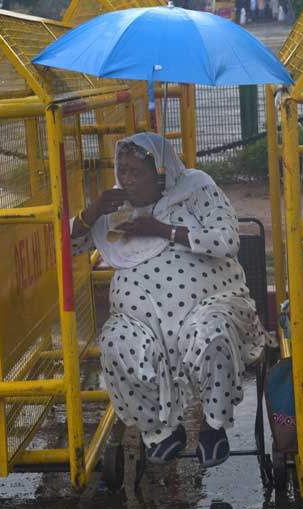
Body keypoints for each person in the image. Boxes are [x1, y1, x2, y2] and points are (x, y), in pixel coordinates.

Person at [70, 132, 267, 467]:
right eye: (122, 169)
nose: (128, 179)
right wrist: (91, 213)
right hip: (141, 320)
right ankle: (160, 431)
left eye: (137, 172)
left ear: (161, 172)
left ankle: (212, 425)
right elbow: (68, 247)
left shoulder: (195, 188)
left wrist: (163, 230)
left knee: (215, 335)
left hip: (207, 305)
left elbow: (226, 241)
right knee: (116, 343)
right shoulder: (116, 206)